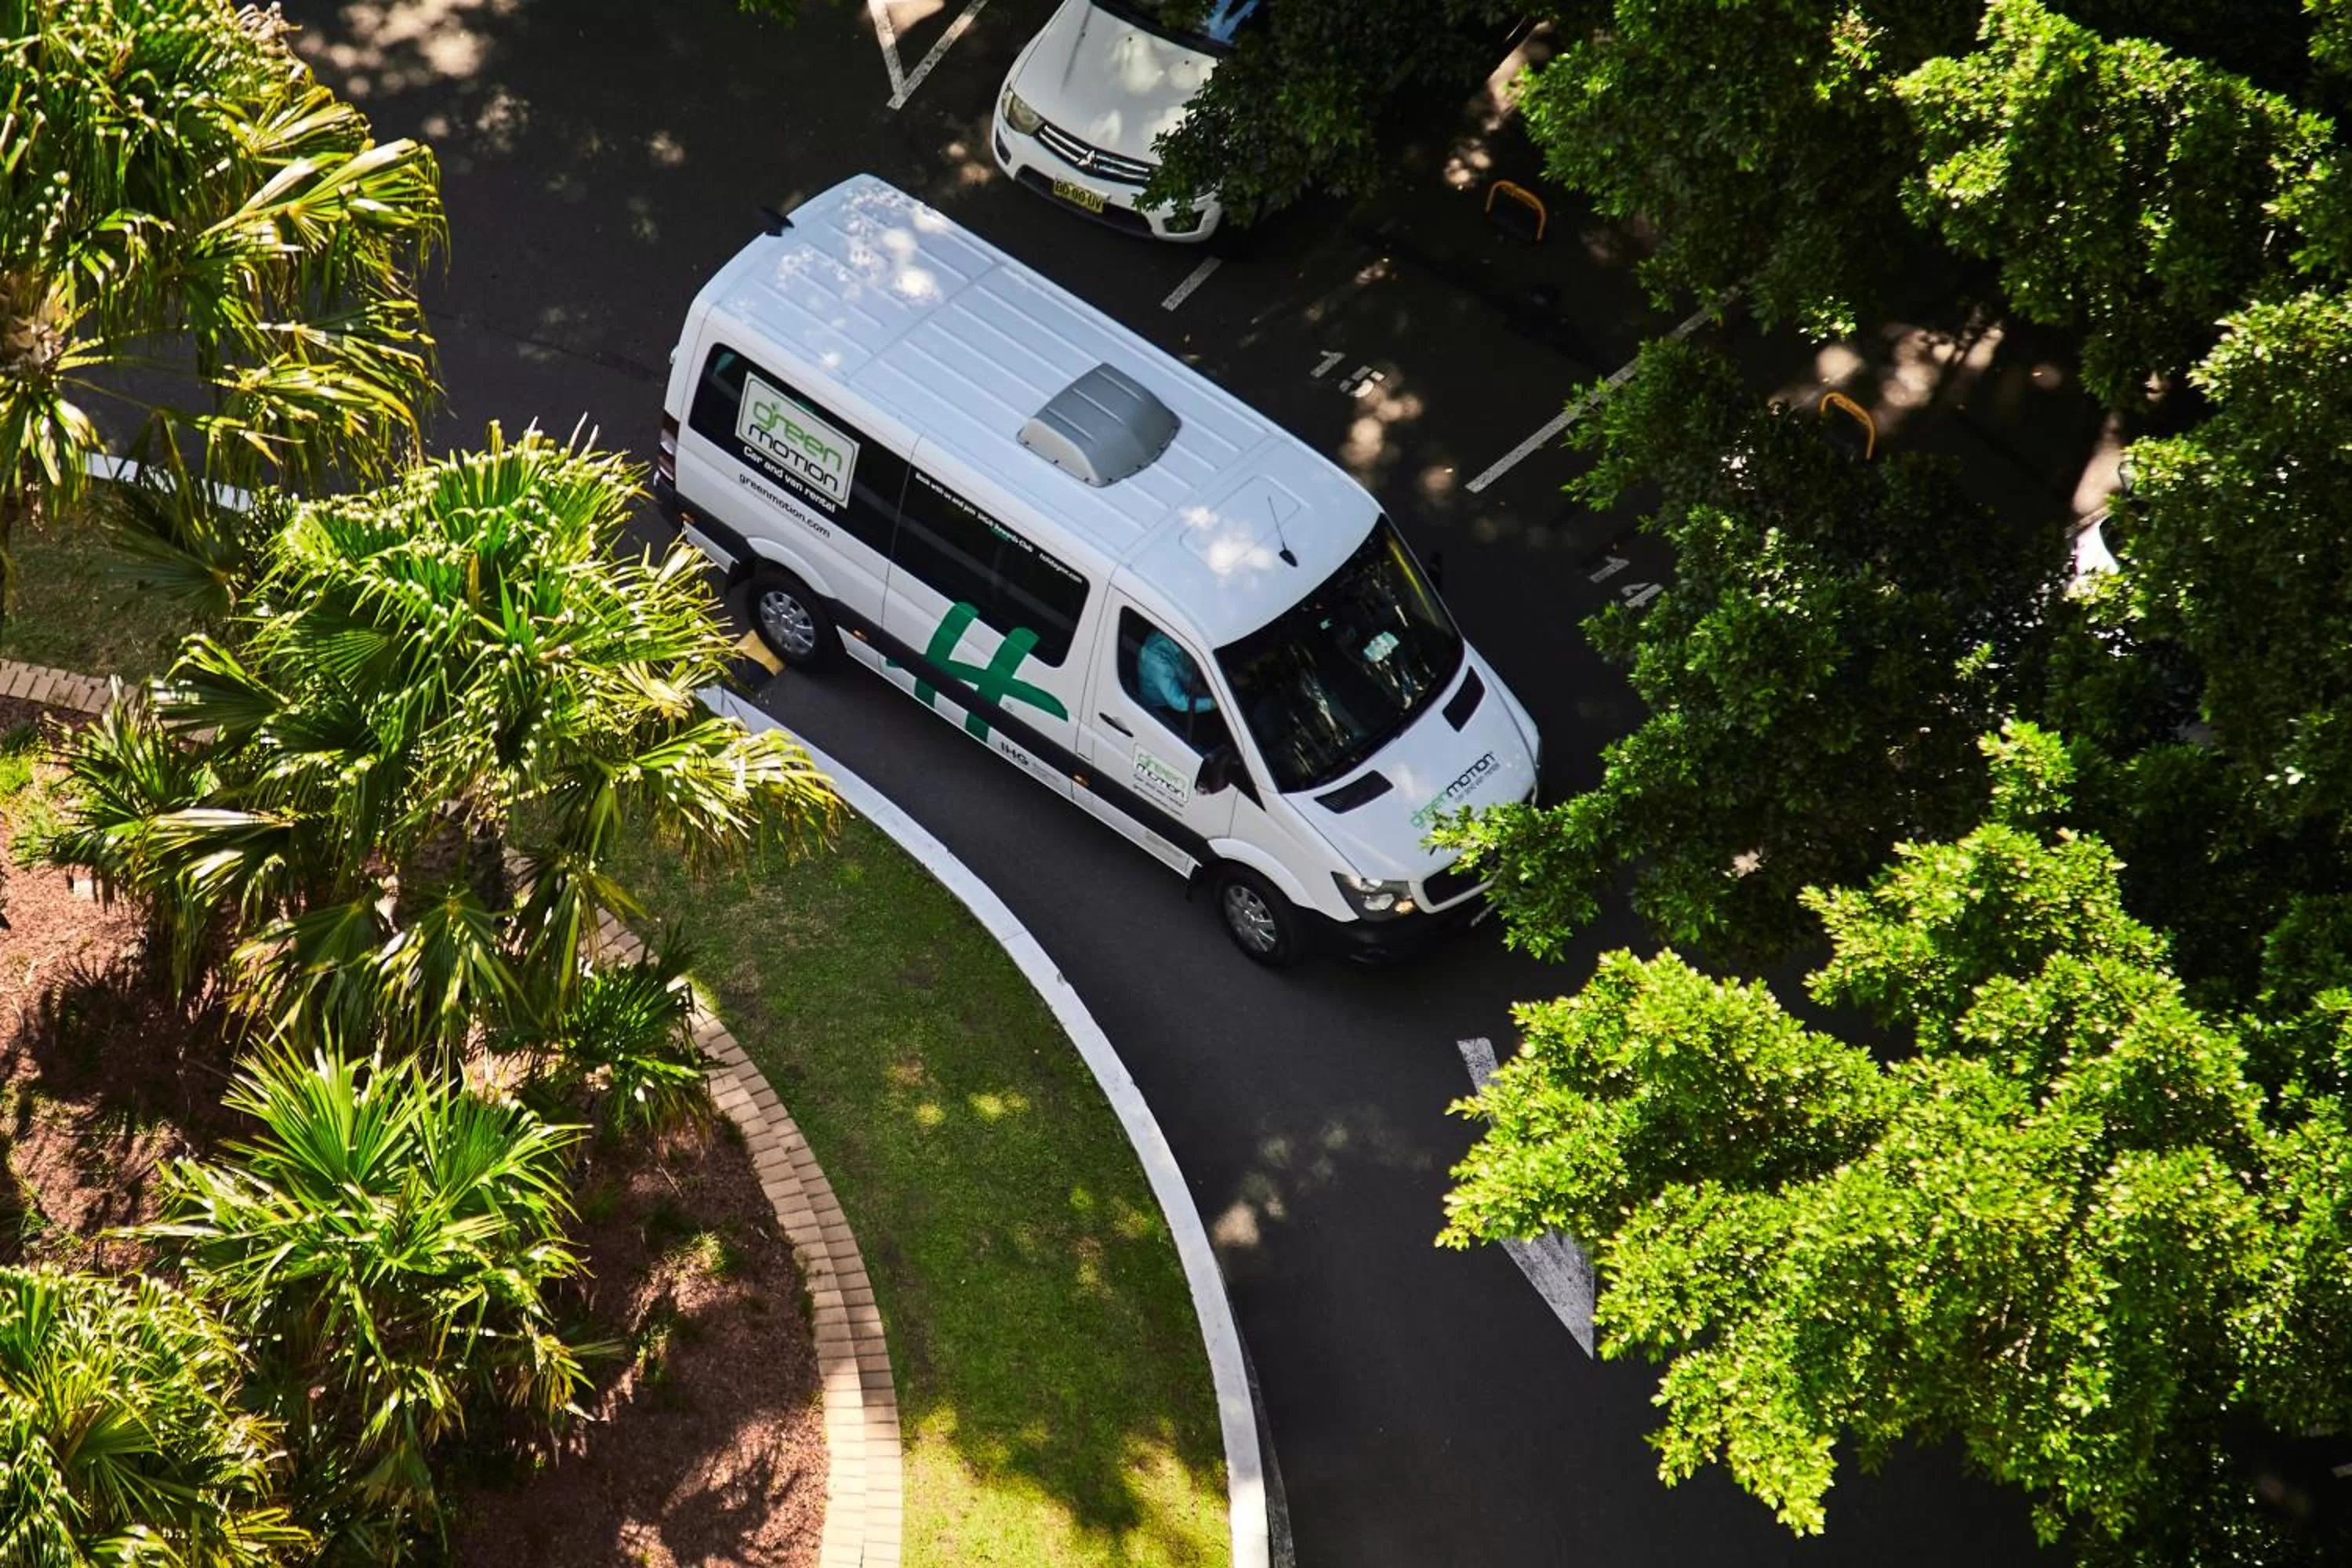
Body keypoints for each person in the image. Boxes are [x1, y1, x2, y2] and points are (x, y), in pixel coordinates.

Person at [1138, 628, 1216, 722]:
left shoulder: (1175, 639)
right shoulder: (1157, 661)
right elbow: (1178, 702)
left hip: (1188, 684)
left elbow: (1185, 673)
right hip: (1163, 707)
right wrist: (1214, 703)